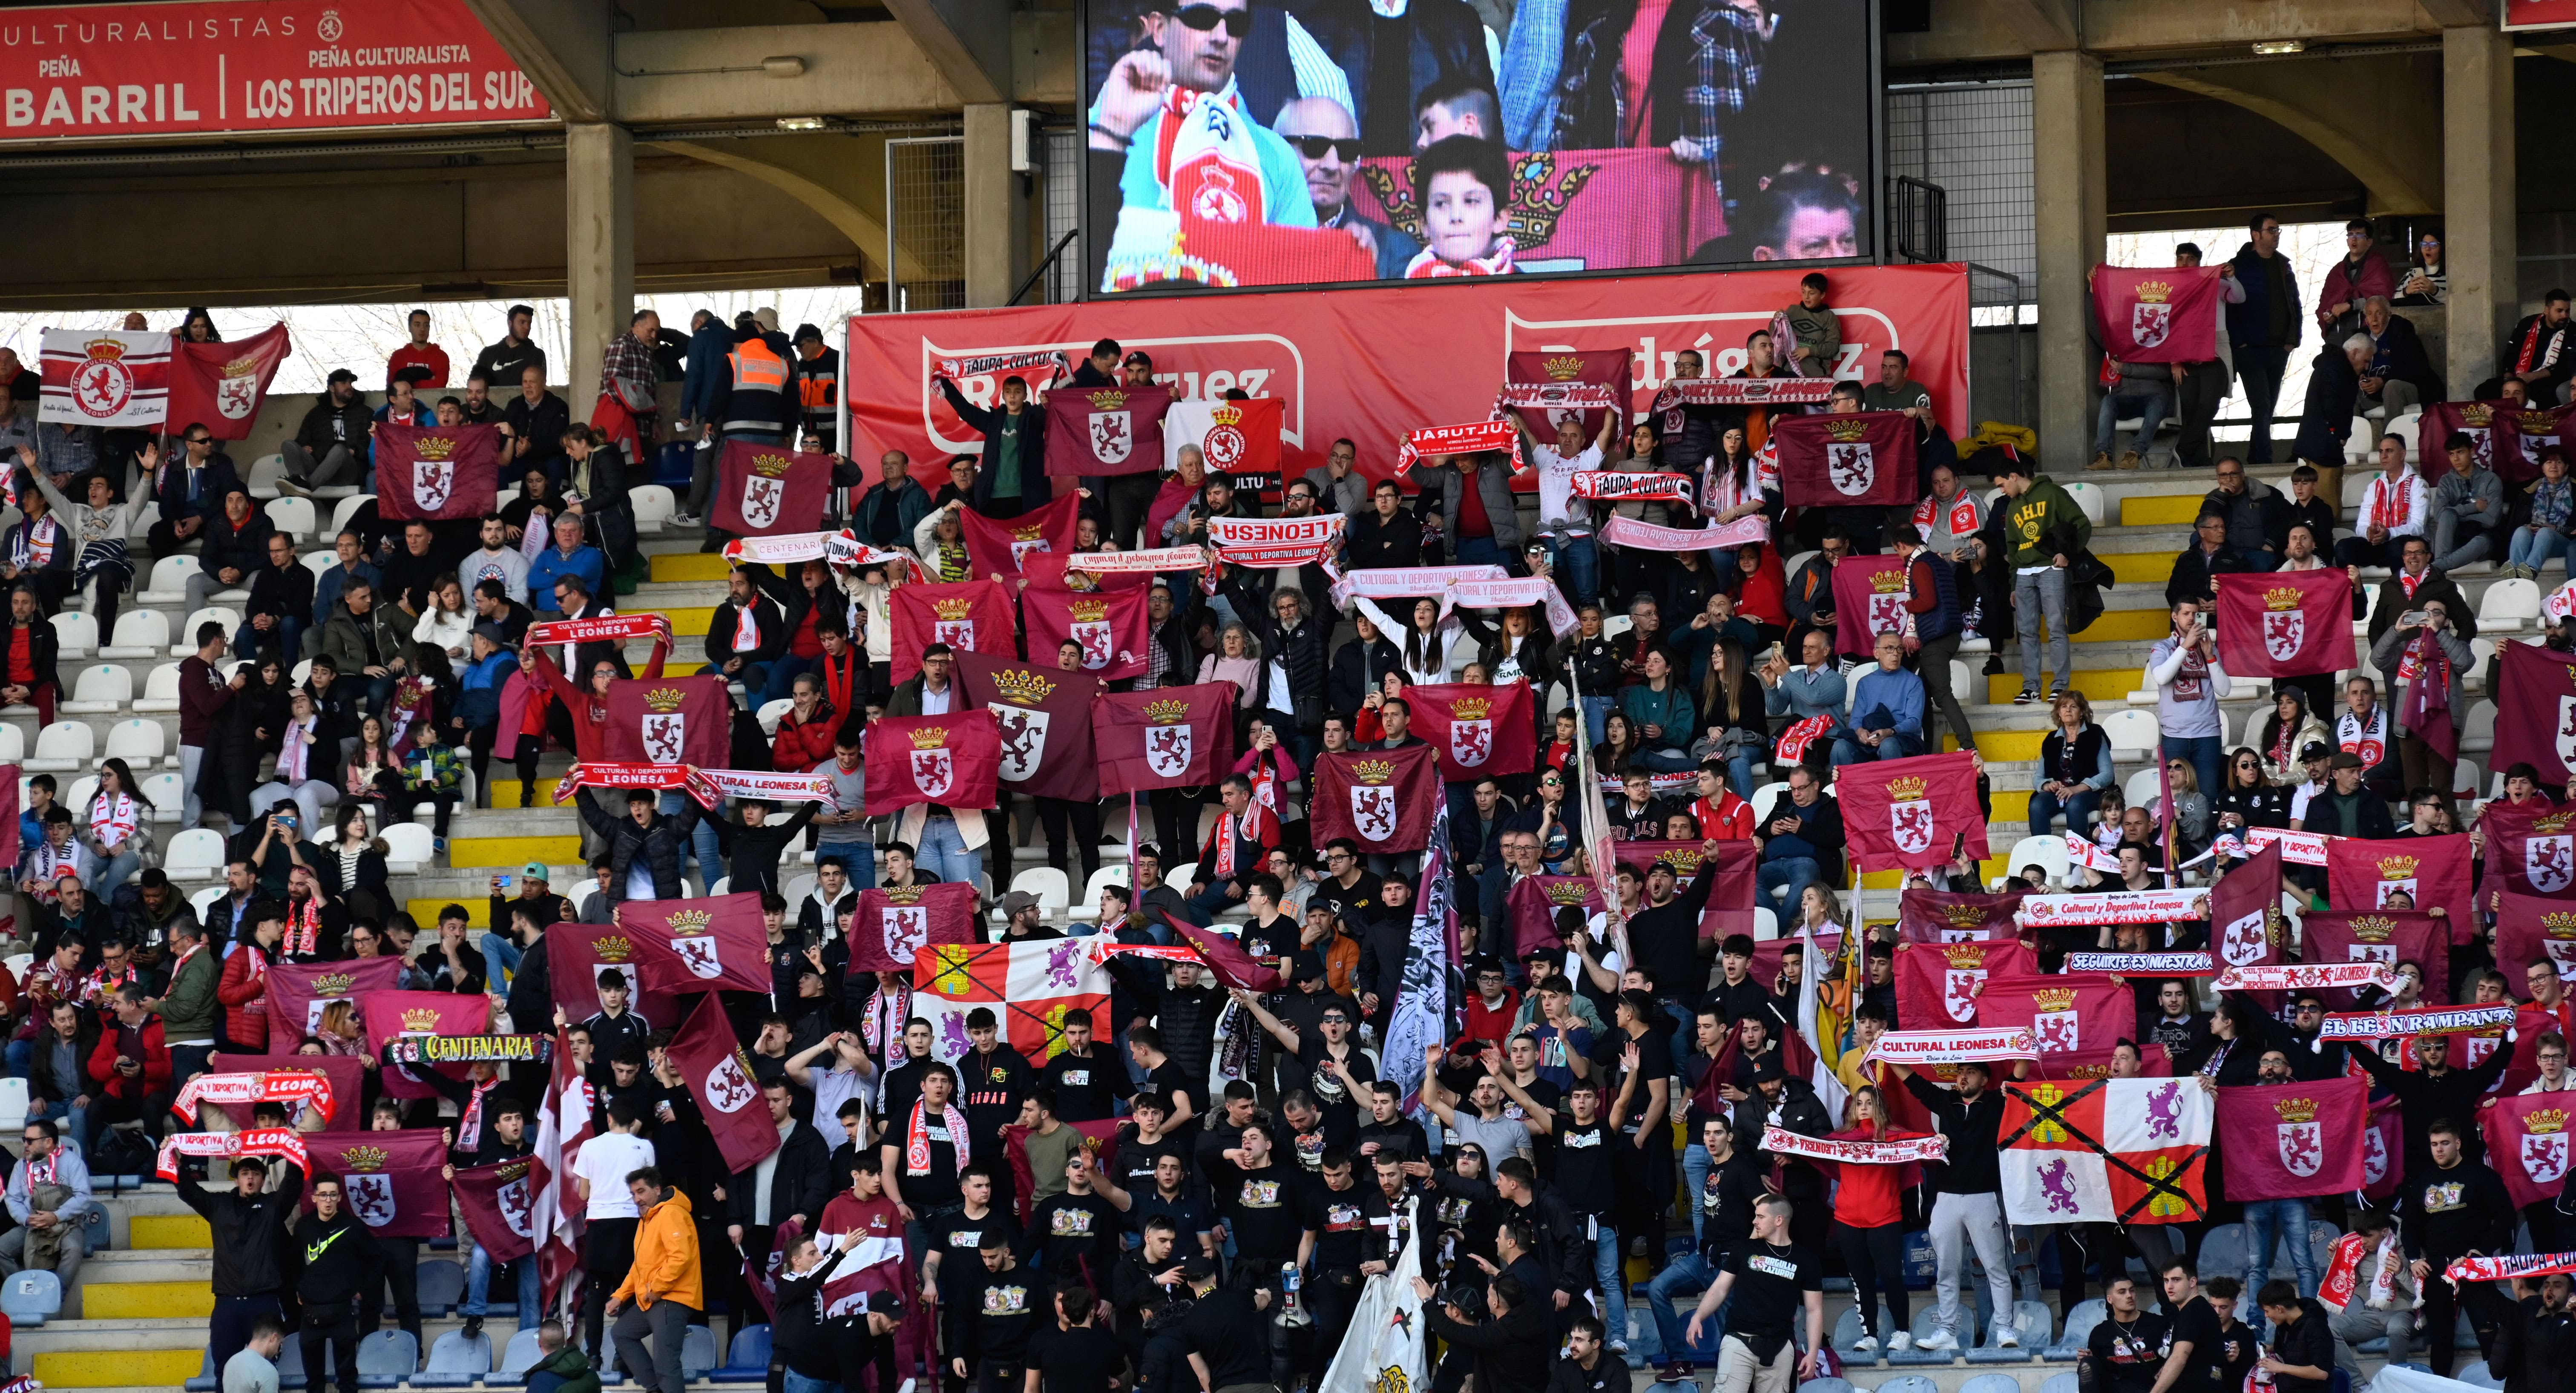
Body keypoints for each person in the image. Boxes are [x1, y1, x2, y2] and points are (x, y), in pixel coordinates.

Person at [179, 1151, 307, 1376]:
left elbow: (293, 1184)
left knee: (266, 1370)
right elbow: (188, 1190)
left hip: (264, 1302)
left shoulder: (272, 1206)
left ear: (263, 1180)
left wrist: (294, 1151)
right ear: (236, 1179)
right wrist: (172, 1159)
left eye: (256, 1174)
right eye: (245, 1174)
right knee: (225, 1371)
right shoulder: (218, 1205)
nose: (250, 1179)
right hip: (227, 1304)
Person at [1993, 454, 2087, 704]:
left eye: (2002, 485)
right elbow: (2012, 549)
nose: (2002, 491)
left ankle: (2060, 686)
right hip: (2023, 575)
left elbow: (2082, 523)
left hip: (2050, 569)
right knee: (2026, 633)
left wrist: (2067, 553)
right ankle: (2031, 688)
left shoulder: (2053, 494)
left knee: (2056, 628)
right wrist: (2014, 583)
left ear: (2014, 477)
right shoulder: (2013, 507)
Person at [2228, 213, 2302, 465]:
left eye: (2278, 230)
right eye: (2271, 230)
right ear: (2255, 235)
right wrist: (2240, 343)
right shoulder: (2238, 266)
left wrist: (2293, 340)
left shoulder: (2283, 265)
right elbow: (2229, 308)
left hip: (2278, 348)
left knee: (2267, 408)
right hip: (2249, 350)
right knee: (2261, 406)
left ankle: (2256, 457)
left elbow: (2294, 304)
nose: (2276, 234)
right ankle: (2264, 460)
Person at [2151, 598, 2230, 800]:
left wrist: (2209, 655)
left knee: (2208, 796)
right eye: (2186, 613)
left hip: (2207, 734)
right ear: (2174, 617)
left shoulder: (2209, 648)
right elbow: (2162, 677)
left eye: (2196, 614)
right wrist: (2186, 646)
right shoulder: (2162, 648)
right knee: (2175, 797)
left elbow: (2224, 689)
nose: (2192, 619)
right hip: (2175, 735)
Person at [2432, 429, 2506, 573]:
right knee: (2447, 516)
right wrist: (2474, 507)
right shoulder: (2446, 481)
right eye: (2451, 454)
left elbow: (2491, 519)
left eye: (2460, 452)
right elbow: (2440, 516)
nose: (2456, 459)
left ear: (2472, 452)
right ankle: (2439, 566)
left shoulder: (2490, 479)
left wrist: (2456, 516)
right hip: (2457, 537)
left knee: (2480, 541)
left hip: (2485, 538)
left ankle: (2437, 568)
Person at [223, 1316, 290, 1393]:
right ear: (274, 1338)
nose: (278, 1351)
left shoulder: (231, 1362)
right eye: (280, 1344)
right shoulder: (267, 1370)